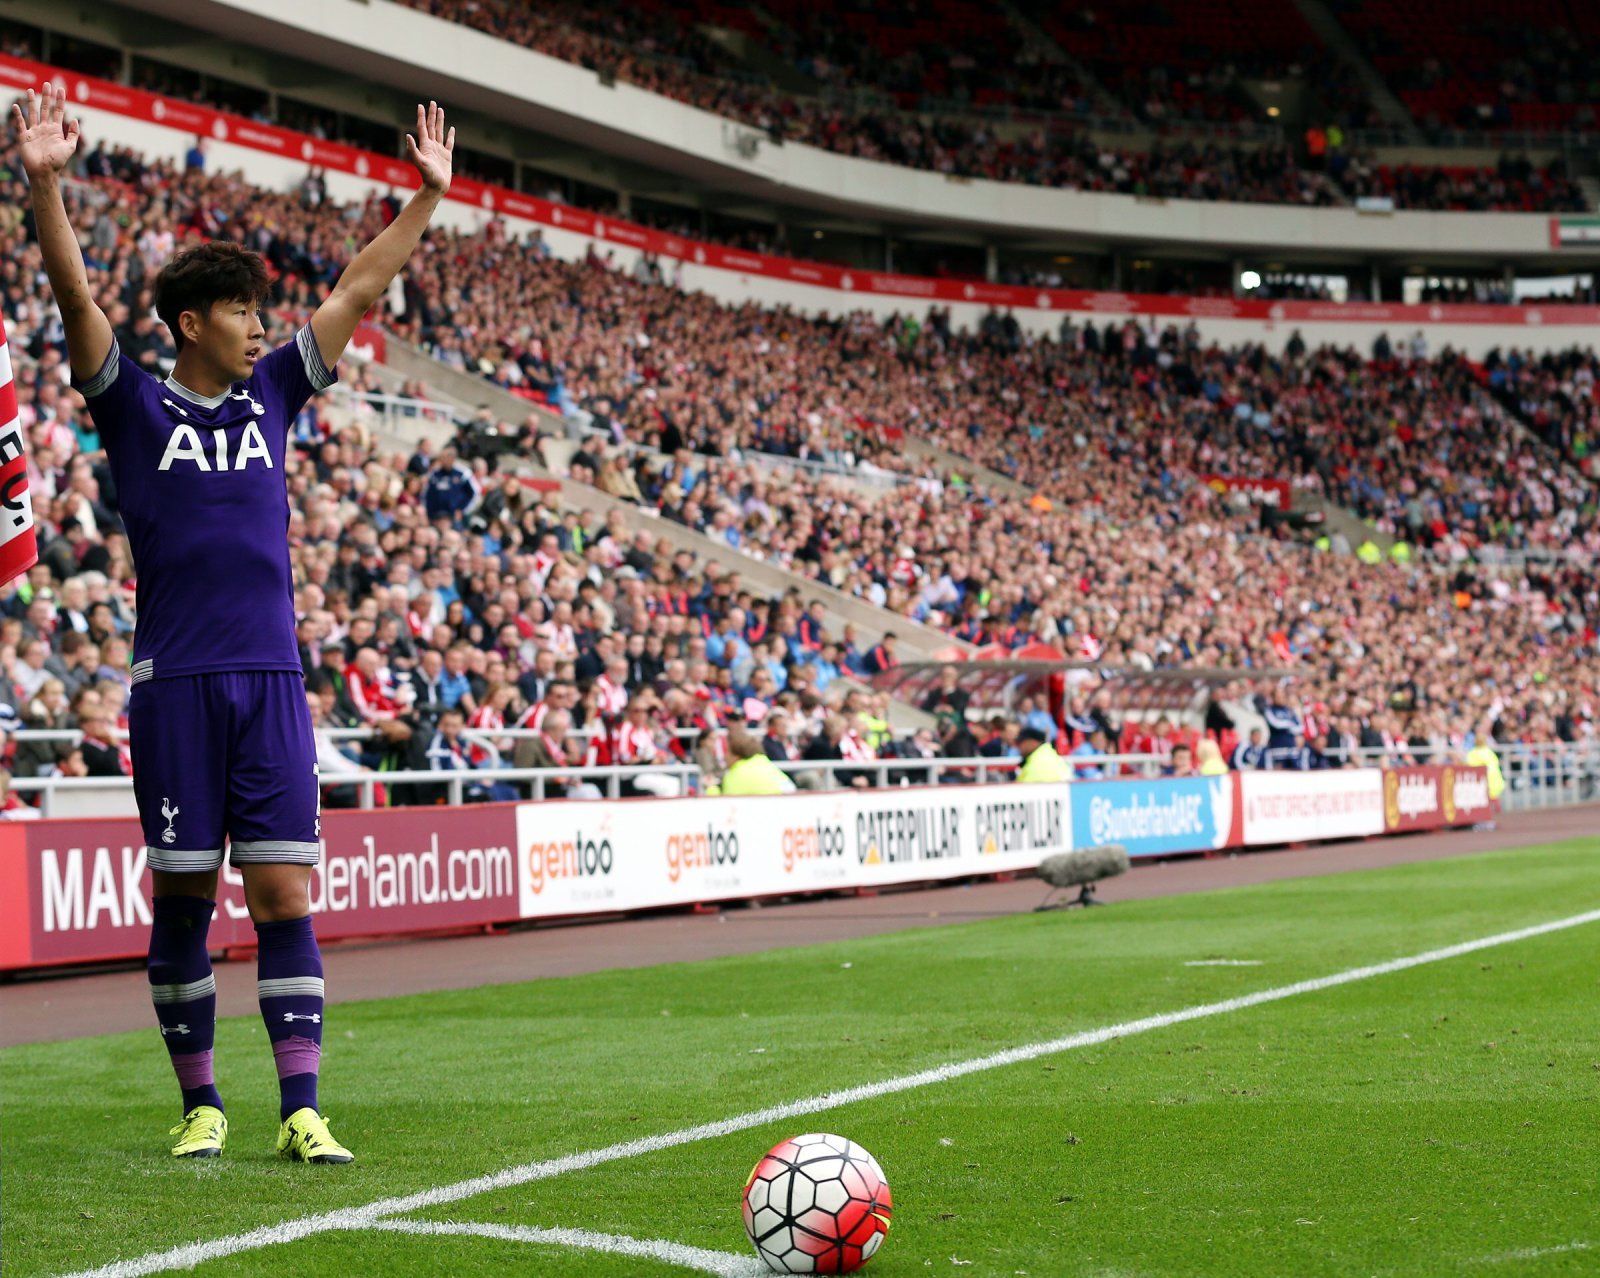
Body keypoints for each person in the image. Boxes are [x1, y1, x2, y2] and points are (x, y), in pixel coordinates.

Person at [18, 81, 457, 1164]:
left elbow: (360, 286)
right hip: (174, 683)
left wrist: (426, 200)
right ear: (191, 325)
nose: (264, 323)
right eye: (244, 309)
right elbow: (77, 301)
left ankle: (301, 1107)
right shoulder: (132, 403)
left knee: (279, 890)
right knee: (181, 898)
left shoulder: (273, 396)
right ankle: (200, 1103)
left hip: (268, 679)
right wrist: (43, 185)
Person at [712, 729, 794, 796]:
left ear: (736, 755)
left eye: (727, 752)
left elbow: (727, 806)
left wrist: (711, 788)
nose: (724, 756)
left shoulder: (735, 775)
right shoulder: (766, 764)